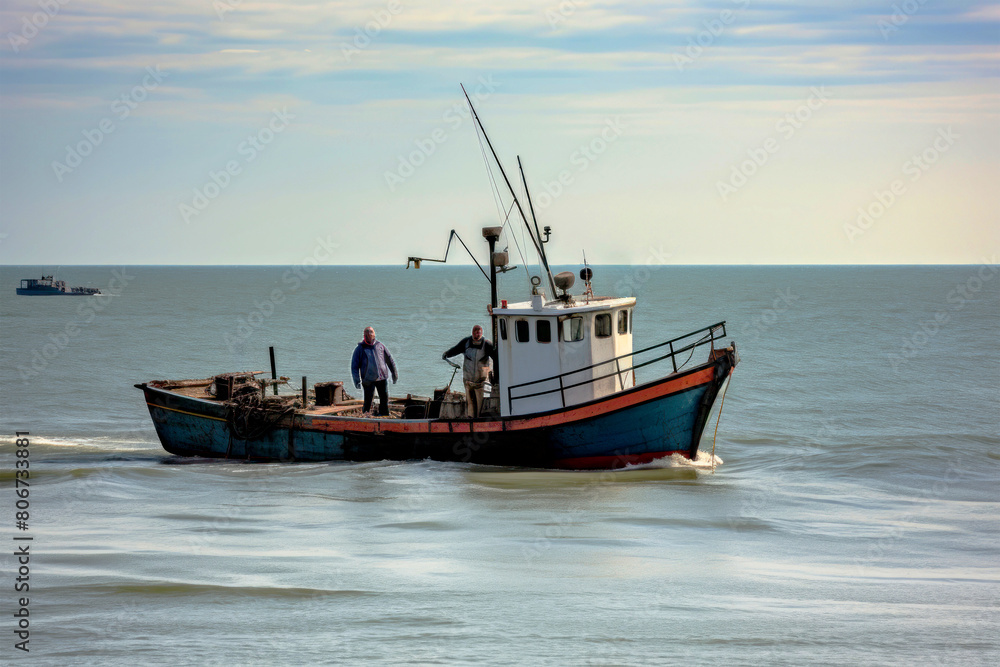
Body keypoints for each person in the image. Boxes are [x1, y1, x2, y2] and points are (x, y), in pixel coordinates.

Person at [443, 324, 496, 418]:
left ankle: (479, 419)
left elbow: (497, 358)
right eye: (475, 333)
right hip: (468, 380)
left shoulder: (487, 344)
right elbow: (456, 349)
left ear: (482, 333)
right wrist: (447, 354)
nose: (477, 335)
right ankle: (470, 419)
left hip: (481, 381)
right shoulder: (466, 342)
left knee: (480, 403)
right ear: (472, 333)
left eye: (479, 333)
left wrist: (497, 375)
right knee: (470, 403)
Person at [351, 326, 398, 416]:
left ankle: (384, 415)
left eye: (371, 332)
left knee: (384, 398)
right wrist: (356, 380)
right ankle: (365, 415)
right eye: (367, 333)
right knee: (368, 400)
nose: (370, 334)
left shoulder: (380, 346)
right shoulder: (360, 349)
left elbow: (389, 360)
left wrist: (394, 374)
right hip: (368, 380)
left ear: (374, 334)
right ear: (364, 335)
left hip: (382, 377)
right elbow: (354, 366)